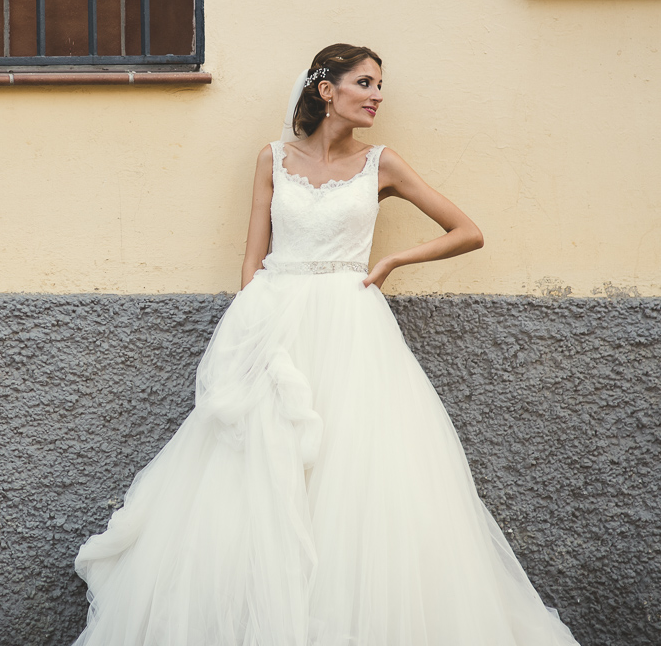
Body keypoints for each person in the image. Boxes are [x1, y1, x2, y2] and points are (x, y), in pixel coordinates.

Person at [71, 44, 581, 645]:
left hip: (351, 325)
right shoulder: (272, 159)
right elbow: (252, 255)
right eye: (364, 83)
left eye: (379, 85)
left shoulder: (382, 164)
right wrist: (246, 337)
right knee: (256, 469)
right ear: (325, 90)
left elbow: (467, 232)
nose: (377, 96)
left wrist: (393, 258)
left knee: (356, 472)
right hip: (276, 321)